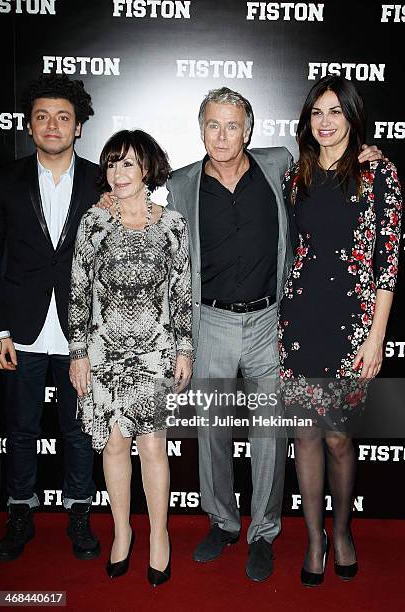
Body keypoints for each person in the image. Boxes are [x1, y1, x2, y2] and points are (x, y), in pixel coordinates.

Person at [164, 87, 383, 582]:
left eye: (232, 125)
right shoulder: (180, 186)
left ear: (249, 130)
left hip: (270, 322)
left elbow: (338, 170)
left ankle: (263, 532)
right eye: (213, 125)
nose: (222, 135)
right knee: (213, 432)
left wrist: (370, 153)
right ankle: (222, 523)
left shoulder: (279, 166)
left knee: (269, 435)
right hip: (210, 322)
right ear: (201, 130)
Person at [278, 75, 402, 586]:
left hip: (352, 324)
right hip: (301, 319)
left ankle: (344, 531)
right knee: (304, 437)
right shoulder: (295, 175)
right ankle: (313, 539)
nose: (325, 122)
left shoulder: (379, 175)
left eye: (335, 112)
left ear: (352, 116)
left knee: (337, 439)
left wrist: (376, 336)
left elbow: (387, 263)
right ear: (308, 121)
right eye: (316, 113)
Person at [68, 129, 193, 584]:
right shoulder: (93, 222)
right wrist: (78, 354)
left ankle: (159, 536)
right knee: (115, 443)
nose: (117, 173)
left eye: (127, 164)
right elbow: (79, 291)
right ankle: (122, 533)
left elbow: (181, 293)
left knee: (152, 446)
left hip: (154, 351)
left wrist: (184, 349)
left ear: (147, 170)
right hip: (102, 351)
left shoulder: (172, 224)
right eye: (111, 163)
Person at [0, 74, 101, 562]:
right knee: (20, 427)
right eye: (42, 117)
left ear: (78, 126)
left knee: (79, 429)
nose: (52, 125)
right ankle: (20, 512)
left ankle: (79, 513)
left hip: (82, 332)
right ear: (29, 125)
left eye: (63, 117)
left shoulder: (104, 179)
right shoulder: (5, 179)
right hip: (22, 329)